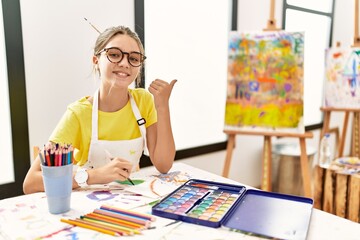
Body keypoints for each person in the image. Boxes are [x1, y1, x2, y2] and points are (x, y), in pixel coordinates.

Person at [23, 26, 176, 194]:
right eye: (114, 55)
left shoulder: (143, 101)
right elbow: (31, 182)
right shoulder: (78, 114)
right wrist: (93, 175)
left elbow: (164, 165)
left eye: (133, 58)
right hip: (90, 206)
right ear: (96, 60)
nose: (125, 63)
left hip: (131, 200)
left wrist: (162, 106)